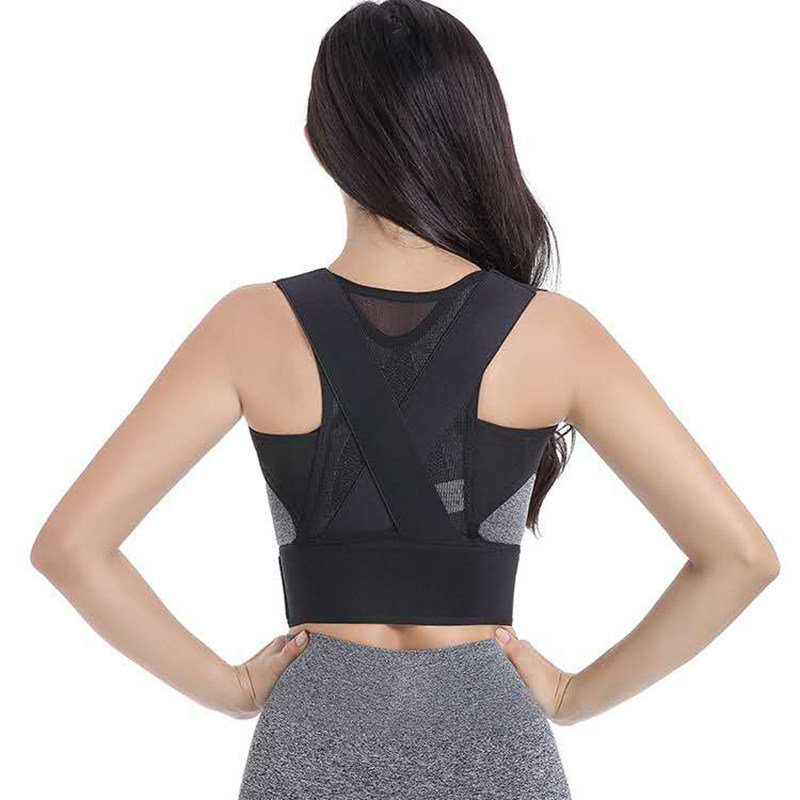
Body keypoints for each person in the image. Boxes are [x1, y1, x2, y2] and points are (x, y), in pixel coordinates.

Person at [30, 1, 780, 798]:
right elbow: (740, 558)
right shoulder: (554, 335)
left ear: (320, 142)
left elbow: (72, 547)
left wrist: (233, 689)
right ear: (477, 135)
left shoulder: (251, 326)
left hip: (312, 744)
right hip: (494, 746)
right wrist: (572, 696)